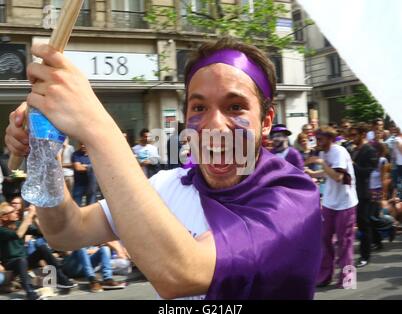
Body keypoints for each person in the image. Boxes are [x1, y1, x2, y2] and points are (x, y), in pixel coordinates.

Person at [5, 37, 321, 299]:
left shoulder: (293, 197)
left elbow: (182, 273)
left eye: (235, 106)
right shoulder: (170, 184)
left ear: (265, 123)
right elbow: (65, 232)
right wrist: (44, 151)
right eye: (199, 108)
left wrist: (95, 126)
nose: (213, 126)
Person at [305, 126, 358, 288]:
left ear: (329, 139)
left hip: (345, 203)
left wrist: (320, 163)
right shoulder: (323, 152)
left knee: (344, 242)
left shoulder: (339, 152)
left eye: (320, 139)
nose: (318, 142)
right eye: (317, 138)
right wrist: (313, 174)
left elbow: (337, 176)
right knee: (325, 240)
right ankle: (325, 276)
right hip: (329, 202)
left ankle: (348, 278)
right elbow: (328, 172)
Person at [0, 202, 76, 300]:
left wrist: (35, 218)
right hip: (11, 263)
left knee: (42, 248)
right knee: (21, 261)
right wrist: (29, 216)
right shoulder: (1, 230)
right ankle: (30, 292)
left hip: (24, 260)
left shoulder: (19, 224)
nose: (16, 212)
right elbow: (17, 235)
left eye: (16, 211)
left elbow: (41, 233)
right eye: (13, 211)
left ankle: (62, 279)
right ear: (4, 217)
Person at [349, 124, 379, 268]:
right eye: (350, 135)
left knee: (363, 224)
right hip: (352, 191)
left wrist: (352, 165)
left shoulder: (370, 150)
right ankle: (378, 239)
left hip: (364, 192)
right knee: (366, 222)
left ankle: (365, 256)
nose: (351, 138)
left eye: (354, 135)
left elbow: (367, 172)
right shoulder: (354, 150)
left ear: (362, 135)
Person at [62, 245, 127, 293]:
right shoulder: (68, 232)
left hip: (86, 265)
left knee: (105, 249)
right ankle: (92, 280)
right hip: (72, 267)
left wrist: (88, 251)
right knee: (80, 248)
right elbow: (67, 253)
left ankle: (108, 279)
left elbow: (104, 246)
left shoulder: (92, 233)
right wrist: (88, 251)